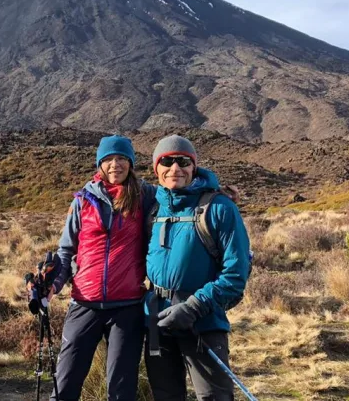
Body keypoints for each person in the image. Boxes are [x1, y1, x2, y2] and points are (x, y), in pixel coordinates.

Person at [48, 135, 156, 401]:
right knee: (65, 384)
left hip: (127, 307)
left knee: (121, 390)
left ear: (131, 163)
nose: (115, 165)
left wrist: (213, 191)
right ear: (99, 164)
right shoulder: (83, 199)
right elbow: (65, 251)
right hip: (84, 303)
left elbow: (180, 191)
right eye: (108, 159)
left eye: (121, 158)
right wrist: (53, 284)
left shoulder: (145, 196)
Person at [144, 134, 251, 401]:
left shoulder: (219, 208)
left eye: (183, 161)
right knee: (166, 396)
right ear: (156, 168)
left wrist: (193, 307)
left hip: (202, 322)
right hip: (158, 321)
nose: (175, 169)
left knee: (213, 396)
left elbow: (236, 274)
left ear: (194, 167)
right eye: (166, 161)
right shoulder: (153, 209)